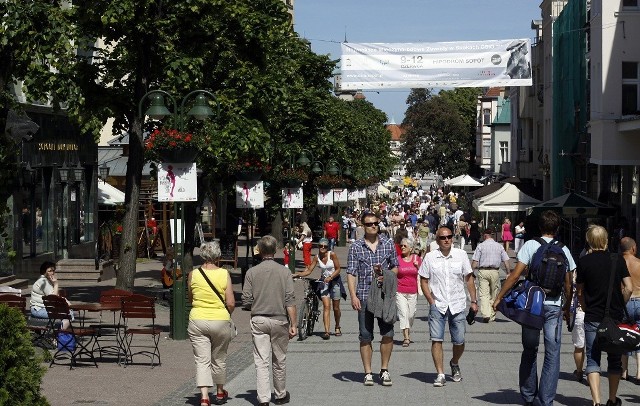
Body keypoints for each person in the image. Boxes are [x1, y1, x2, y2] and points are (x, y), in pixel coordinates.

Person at [493, 210, 576, 406]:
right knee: (552, 353)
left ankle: (528, 395)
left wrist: (499, 297)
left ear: (540, 227)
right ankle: (546, 400)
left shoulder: (531, 245)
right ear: (557, 229)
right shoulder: (564, 249)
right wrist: (566, 307)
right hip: (554, 306)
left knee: (530, 350)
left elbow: (514, 276)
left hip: (532, 305)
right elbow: (568, 283)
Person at [576, 225, 632, 406]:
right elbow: (629, 287)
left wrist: (585, 306)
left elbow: (580, 291)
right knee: (614, 359)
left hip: (592, 315)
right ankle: (612, 399)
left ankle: (596, 402)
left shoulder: (584, 262)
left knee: (593, 359)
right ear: (606, 241)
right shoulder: (617, 259)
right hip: (614, 317)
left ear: (589, 241)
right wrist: (620, 302)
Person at [242, 235, 297, 406]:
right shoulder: (285, 272)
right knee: (279, 359)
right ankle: (280, 394)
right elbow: (290, 300)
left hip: (259, 319)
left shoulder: (252, 272)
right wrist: (294, 324)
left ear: (259, 251)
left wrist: (258, 304)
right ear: (275, 250)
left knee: (261, 360)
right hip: (280, 319)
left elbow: (246, 300)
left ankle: (264, 398)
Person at [420, 226, 477, 387]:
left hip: (458, 303)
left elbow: (469, 279)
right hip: (438, 304)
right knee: (436, 339)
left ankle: (454, 362)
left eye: (449, 237)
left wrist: (473, 301)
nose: (447, 240)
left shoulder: (461, 255)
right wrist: (431, 301)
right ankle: (440, 373)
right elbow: (423, 280)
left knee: (459, 340)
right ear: (437, 240)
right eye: (443, 237)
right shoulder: (430, 257)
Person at [346, 212, 399, 387]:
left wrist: (388, 275)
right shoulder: (356, 247)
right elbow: (351, 273)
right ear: (363, 226)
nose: (373, 226)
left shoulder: (388, 243)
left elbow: (395, 266)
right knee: (365, 336)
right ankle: (368, 372)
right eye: (369, 224)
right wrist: (353, 296)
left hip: (384, 296)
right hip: (363, 295)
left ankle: (384, 370)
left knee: (388, 334)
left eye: (376, 223)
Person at [188, 241, 235, 406]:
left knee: (202, 360)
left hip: (197, 319)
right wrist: (226, 314)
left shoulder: (193, 274)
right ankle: (220, 392)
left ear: (202, 255)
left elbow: (191, 297)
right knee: (219, 358)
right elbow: (230, 302)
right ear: (218, 256)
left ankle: (204, 397)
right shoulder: (224, 274)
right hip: (219, 320)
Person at [293, 238, 345, 339]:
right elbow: (309, 271)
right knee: (326, 306)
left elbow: (338, 269)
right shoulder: (316, 257)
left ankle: (337, 326)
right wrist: (297, 274)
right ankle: (326, 332)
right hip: (324, 282)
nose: (322, 248)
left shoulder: (332, 255)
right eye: (321, 246)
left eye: (325, 246)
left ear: (327, 247)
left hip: (334, 281)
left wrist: (331, 277)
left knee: (336, 308)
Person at [471, 228, 510, 323]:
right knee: (494, 293)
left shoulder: (481, 246)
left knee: (484, 294)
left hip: (483, 271)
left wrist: (471, 272)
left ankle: (486, 314)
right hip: (495, 271)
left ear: (484, 235)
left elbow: (475, 261)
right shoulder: (499, 246)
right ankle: (492, 314)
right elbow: (506, 260)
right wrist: (508, 272)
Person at [30, 261, 73, 329]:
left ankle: (58, 334)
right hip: (39, 310)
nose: (52, 273)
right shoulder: (43, 282)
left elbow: (56, 297)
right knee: (68, 314)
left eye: (53, 270)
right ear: (44, 271)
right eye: (49, 271)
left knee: (67, 313)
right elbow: (53, 299)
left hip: (41, 309)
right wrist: (56, 284)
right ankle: (57, 336)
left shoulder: (46, 281)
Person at [620, 237, 640, 381]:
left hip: (624, 302)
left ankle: (623, 371)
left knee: (623, 336)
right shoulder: (639, 263)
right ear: (633, 248)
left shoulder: (617, 263)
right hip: (639, 300)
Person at [396, 238, 421, 347]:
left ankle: (408, 329)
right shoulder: (397, 259)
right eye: (401, 245)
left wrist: (418, 267)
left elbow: (424, 273)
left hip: (412, 291)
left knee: (411, 315)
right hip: (400, 291)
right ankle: (406, 337)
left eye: (405, 246)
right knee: (403, 313)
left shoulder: (417, 259)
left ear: (410, 248)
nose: (402, 247)